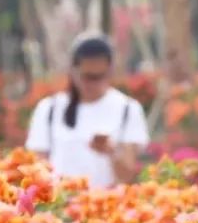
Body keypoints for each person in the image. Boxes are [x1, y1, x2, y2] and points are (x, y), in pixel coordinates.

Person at [26, 33, 149, 188]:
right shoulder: (49, 109)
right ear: (73, 71)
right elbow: (39, 169)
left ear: (110, 71)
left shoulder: (128, 109)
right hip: (59, 204)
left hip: (106, 204)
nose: (93, 84)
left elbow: (128, 175)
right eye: (87, 76)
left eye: (99, 76)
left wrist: (111, 152)